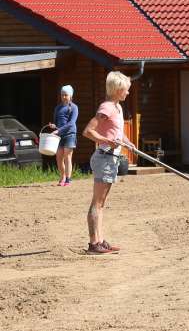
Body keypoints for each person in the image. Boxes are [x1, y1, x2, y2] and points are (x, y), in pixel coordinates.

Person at [82, 71, 136, 254]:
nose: (128, 92)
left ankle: (100, 240)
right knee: (97, 203)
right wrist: (107, 141)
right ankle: (93, 244)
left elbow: (117, 131)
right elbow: (88, 131)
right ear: (117, 89)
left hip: (111, 159)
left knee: (101, 203)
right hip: (104, 158)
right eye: (126, 89)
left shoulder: (118, 108)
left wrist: (127, 143)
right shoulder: (107, 108)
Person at [48, 85, 78, 186]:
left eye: (66, 95)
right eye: (62, 95)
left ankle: (68, 179)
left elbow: (71, 123)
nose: (64, 97)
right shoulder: (58, 108)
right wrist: (54, 126)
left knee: (67, 156)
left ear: (70, 96)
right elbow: (57, 123)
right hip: (59, 135)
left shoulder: (74, 107)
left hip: (70, 134)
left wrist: (58, 130)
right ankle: (62, 177)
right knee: (59, 157)